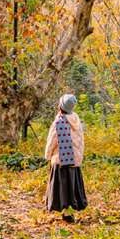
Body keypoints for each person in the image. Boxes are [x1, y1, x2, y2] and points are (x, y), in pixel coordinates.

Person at [44, 93, 88, 222]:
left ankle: (66, 215)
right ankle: (70, 212)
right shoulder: (76, 120)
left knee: (63, 188)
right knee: (72, 187)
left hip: (60, 160)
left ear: (60, 106)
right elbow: (81, 140)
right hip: (74, 160)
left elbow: (52, 141)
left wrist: (48, 156)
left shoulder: (58, 121)